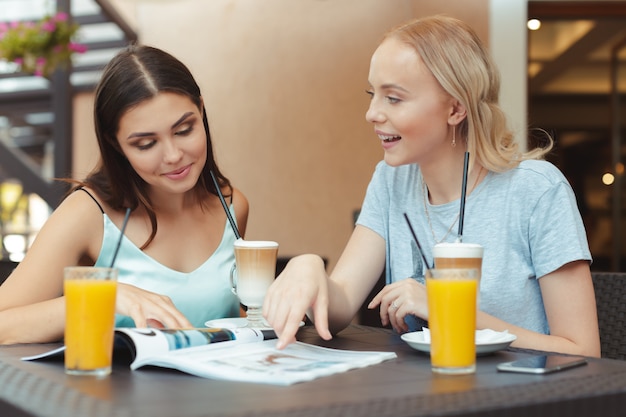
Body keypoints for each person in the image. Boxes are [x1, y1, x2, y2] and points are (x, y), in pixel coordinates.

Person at [264, 15, 600, 357]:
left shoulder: (536, 190)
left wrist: (447, 312)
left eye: (393, 98)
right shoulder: (391, 180)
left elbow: (583, 351)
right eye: (372, 94)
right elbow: (341, 305)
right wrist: (307, 268)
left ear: (455, 108)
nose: (372, 113)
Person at [0, 44, 249, 344]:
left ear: (201, 111)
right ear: (116, 145)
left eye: (184, 130)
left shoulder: (232, 207)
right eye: (146, 144)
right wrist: (104, 295)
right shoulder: (88, 213)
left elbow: (231, 315)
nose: (173, 155)